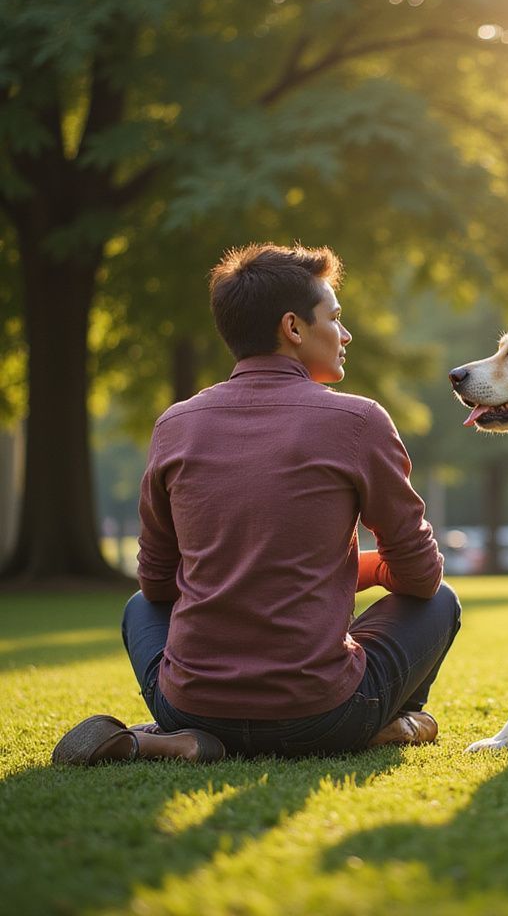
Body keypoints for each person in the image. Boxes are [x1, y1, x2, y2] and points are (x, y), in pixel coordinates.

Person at [53, 243, 459, 765]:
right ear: (293, 328)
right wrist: (376, 569)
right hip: (322, 711)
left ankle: (171, 739)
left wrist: (337, 569)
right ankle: (378, 725)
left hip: (192, 709)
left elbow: (157, 585)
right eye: (335, 318)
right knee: (441, 600)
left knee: (139, 607)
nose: (345, 334)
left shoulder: (175, 424)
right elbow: (421, 577)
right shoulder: (359, 422)